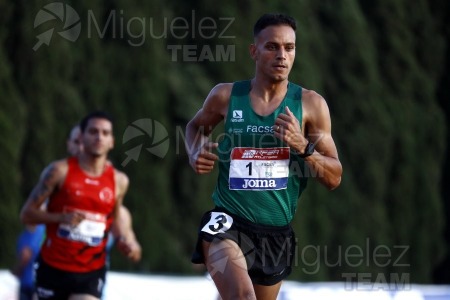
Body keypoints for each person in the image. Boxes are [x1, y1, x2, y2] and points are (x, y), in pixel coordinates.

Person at [185, 13, 343, 300]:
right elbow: (195, 126)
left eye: (289, 47)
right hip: (228, 221)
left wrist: (303, 146)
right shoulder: (225, 96)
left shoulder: (310, 105)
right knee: (243, 297)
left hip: (274, 234)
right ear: (254, 51)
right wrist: (195, 151)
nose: (282, 55)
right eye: (272, 46)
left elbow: (334, 177)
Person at [20, 111, 141, 300]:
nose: (99, 137)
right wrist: (60, 218)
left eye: (105, 133)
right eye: (93, 131)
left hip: (90, 272)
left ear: (112, 141)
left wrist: (129, 244)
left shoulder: (118, 181)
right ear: (81, 138)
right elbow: (27, 214)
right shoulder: (58, 171)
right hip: (53, 267)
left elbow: (117, 220)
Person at [12, 224, 45, 300]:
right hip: (32, 283)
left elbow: (26, 255)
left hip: (34, 284)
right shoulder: (26, 233)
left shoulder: (39, 230)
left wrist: (14, 272)